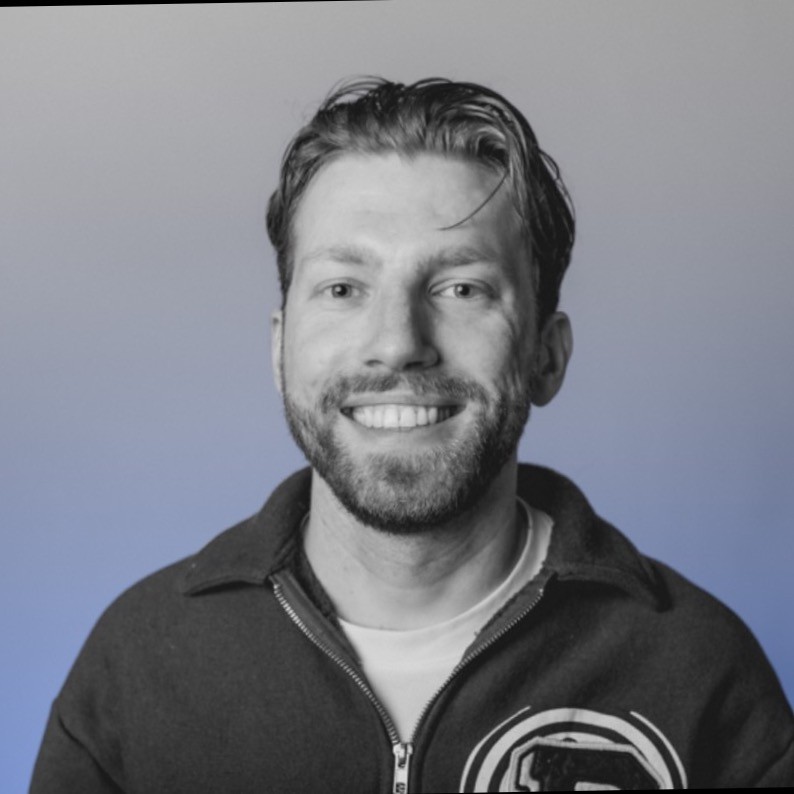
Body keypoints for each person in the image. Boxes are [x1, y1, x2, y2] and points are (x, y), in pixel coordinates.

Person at [31, 77, 793, 793]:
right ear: (280, 348)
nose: (398, 343)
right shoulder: (137, 667)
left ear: (546, 356)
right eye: (343, 288)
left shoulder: (700, 673)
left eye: (461, 287)